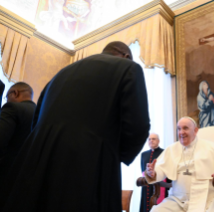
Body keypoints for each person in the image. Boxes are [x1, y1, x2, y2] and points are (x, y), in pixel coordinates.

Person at [1, 41, 150, 212]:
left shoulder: (59, 74)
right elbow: (138, 127)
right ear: (126, 56)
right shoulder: (129, 68)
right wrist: (113, 154)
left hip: (37, 169)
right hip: (88, 171)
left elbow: (36, 124)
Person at [145, 117, 214, 212]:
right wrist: (153, 173)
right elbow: (160, 169)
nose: (181, 132)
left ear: (195, 130)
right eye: (179, 129)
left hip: (207, 199)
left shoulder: (212, 147)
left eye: (185, 128)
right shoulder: (171, 149)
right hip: (177, 200)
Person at [0, 81, 36, 188]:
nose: (7, 100)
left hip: (5, 173)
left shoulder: (12, 108)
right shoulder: (40, 113)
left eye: (7, 97)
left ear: (15, 93)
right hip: (26, 177)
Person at [140, 133, 170, 212]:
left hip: (159, 185)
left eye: (153, 139)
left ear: (158, 141)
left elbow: (167, 170)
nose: (151, 141)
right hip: (146, 186)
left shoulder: (164, 152)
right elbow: (142, 170)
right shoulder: (143, 154)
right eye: (149, 139)